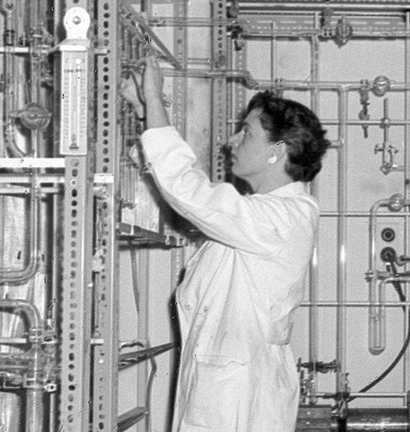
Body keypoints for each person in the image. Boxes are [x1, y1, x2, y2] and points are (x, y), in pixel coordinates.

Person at [128, 56, 330, 432]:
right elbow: (192, 195)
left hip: (237, 398)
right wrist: (145, 112)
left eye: (246, 133)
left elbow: (192, 193)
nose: (230, 142)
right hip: (227, 391)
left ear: (277, 150)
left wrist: (155, 100)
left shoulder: (285, 218)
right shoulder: (258, 215)